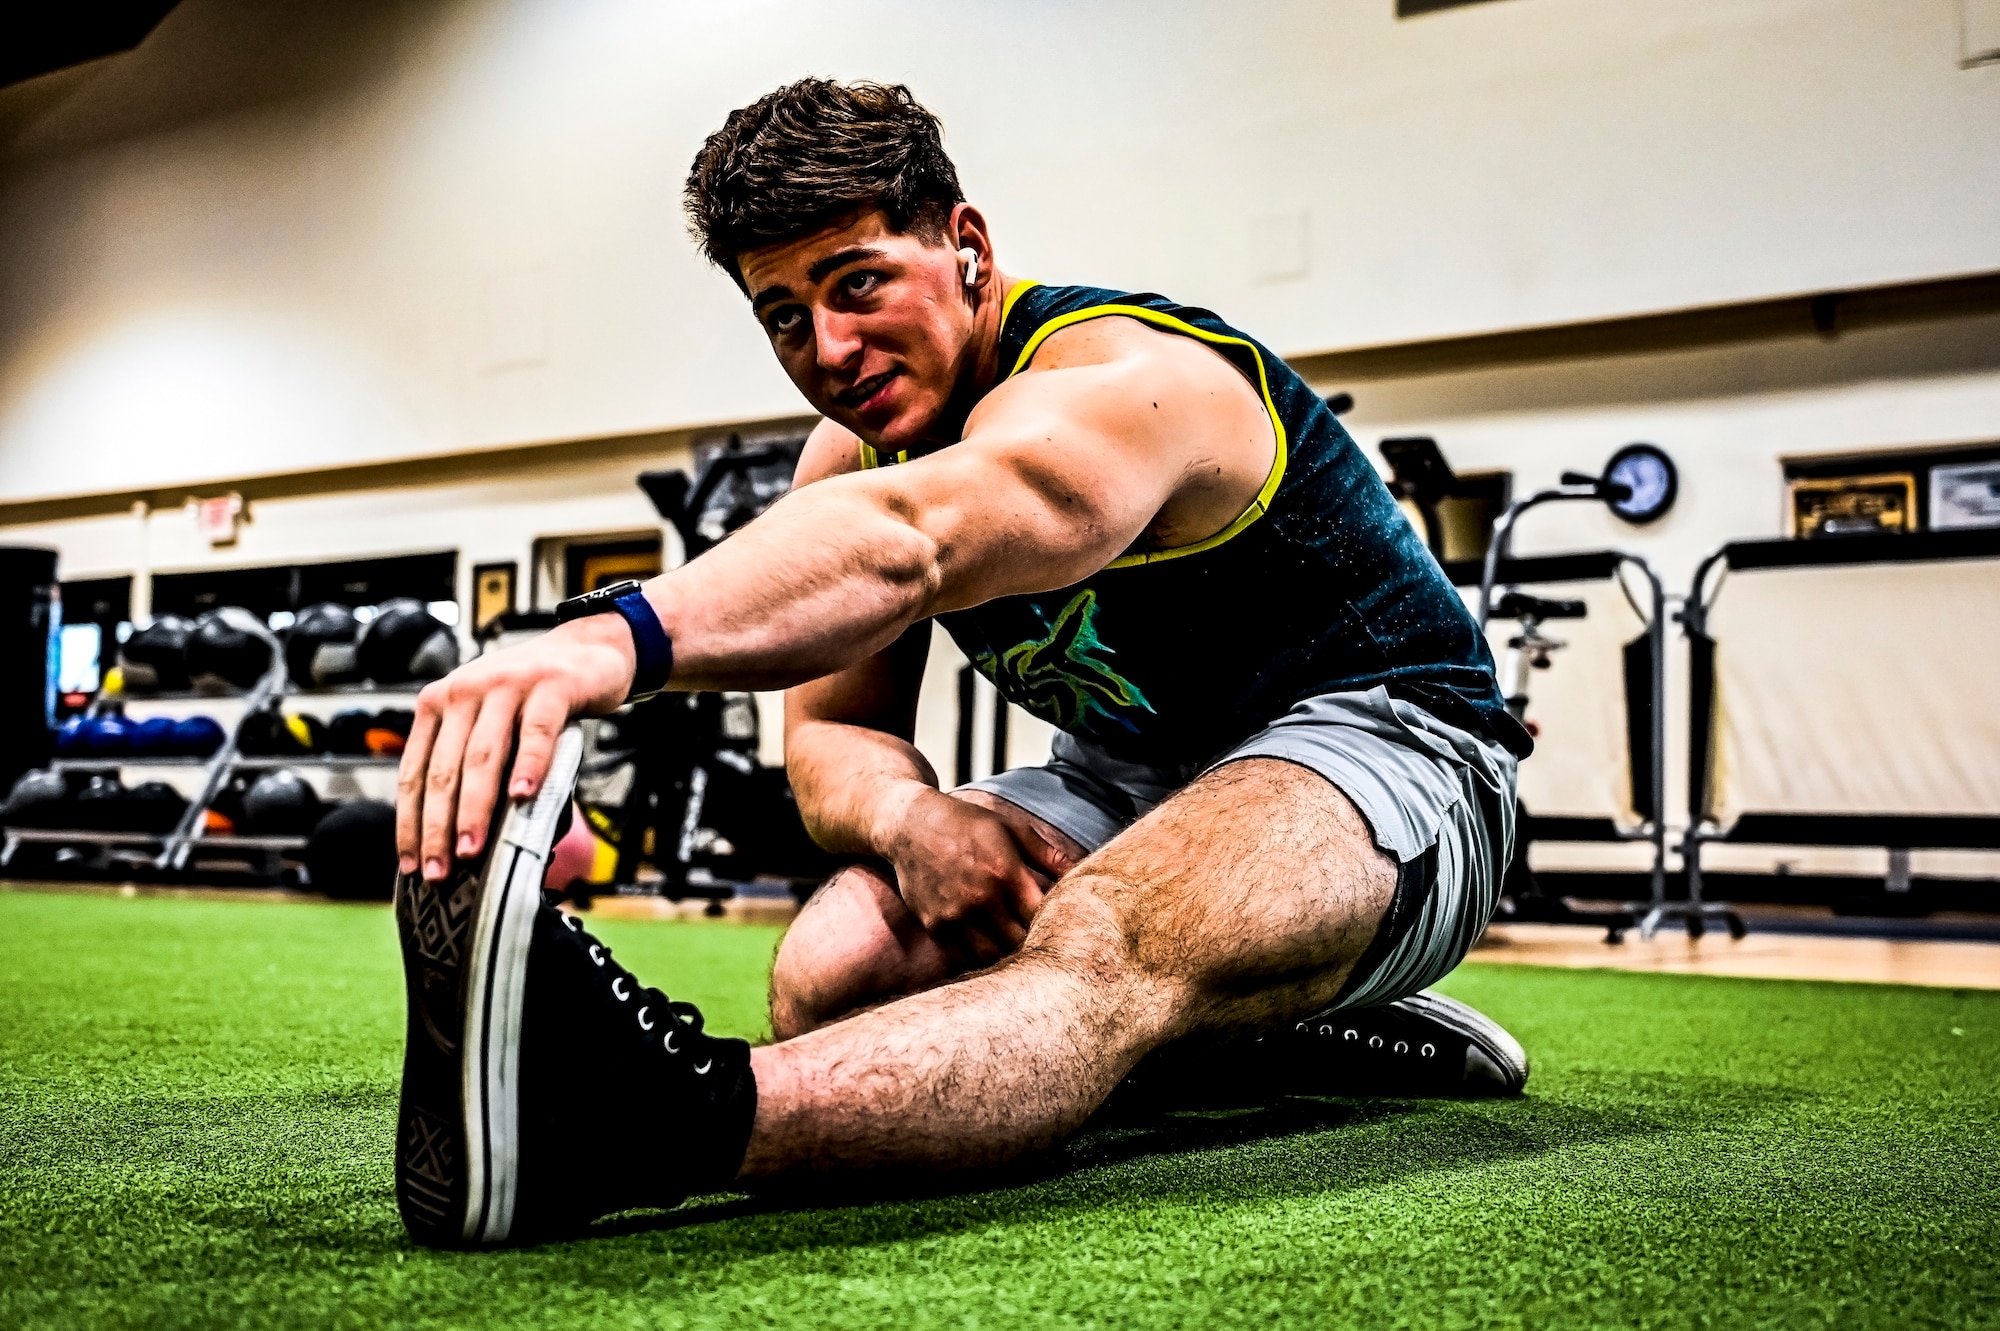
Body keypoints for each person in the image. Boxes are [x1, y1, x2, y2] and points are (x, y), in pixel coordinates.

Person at [390, 78, 1534, 1248]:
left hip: (1395, 744)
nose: (830, 348)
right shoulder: (851, 452)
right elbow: (829, 736)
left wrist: (611, 636)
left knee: (1111, 938)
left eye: (858, 284)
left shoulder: (1136, 379)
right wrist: (908, 821)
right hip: (1129, 772)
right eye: (784, 316)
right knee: (831, 973)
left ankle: (653, 1121)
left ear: (967, 247)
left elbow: (918, 536)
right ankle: (1257, 1014)